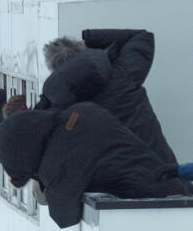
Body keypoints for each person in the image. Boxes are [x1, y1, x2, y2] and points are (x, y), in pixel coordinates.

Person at [0, 101, 193, 229]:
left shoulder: (59, 166)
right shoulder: (82, 111)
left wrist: (42, 178)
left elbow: (64, 216)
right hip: (175, 185)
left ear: (23, 155)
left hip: (164, 212)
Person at [38, 30, 177, 166]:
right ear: (83, 50)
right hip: (163, 169)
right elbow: (141, 37)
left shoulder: (61, 106)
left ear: (56, 71)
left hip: (119, 183)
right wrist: (91, 38)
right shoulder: (122, 73)